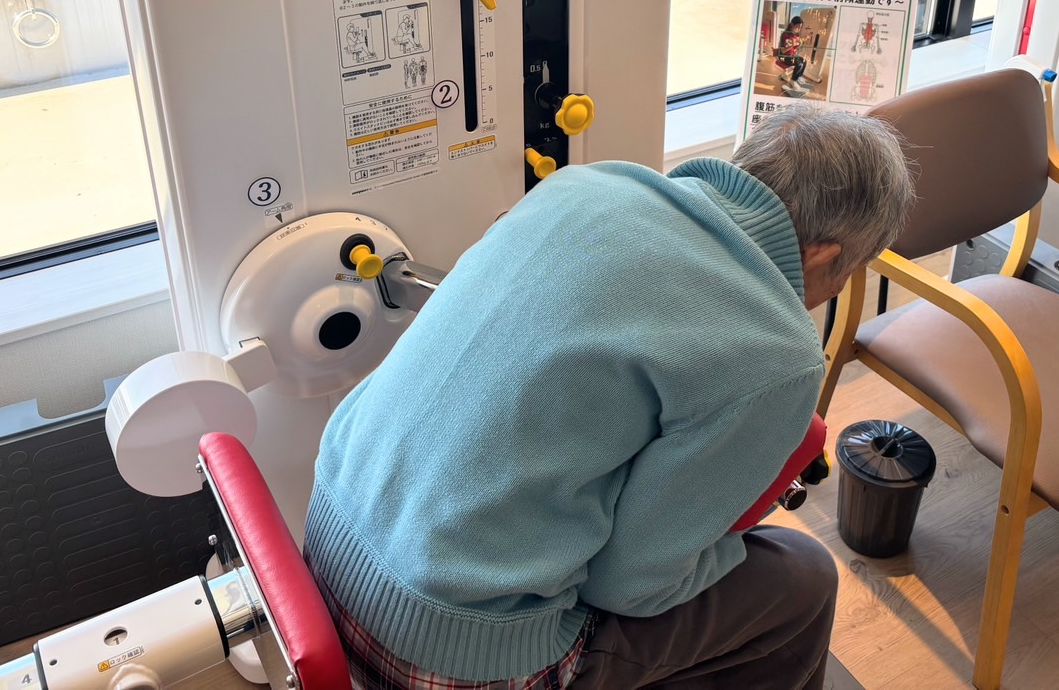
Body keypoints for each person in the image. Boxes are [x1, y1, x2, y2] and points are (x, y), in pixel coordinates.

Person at [305, 103, 914, 689]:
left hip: (322, 555)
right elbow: (629, 588)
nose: (835, 288)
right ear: (824, 254)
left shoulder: (583, 185)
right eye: (848, 273)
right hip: (452, 648)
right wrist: (723, 549)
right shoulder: (777, 349)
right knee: (803, 578)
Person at [776, 16, 807, 84]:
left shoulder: (795, 35)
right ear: (792, 24)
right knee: (799, 63)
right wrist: (792, 45)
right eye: (797, 27)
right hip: (783, 56)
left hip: (791, 56)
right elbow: (783, 51)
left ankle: (799, 77)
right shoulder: (785, 34)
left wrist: (799, 44)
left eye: (800, 27)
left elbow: (794, 48)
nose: (799, 29)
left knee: (804, 61)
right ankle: (793, 80)